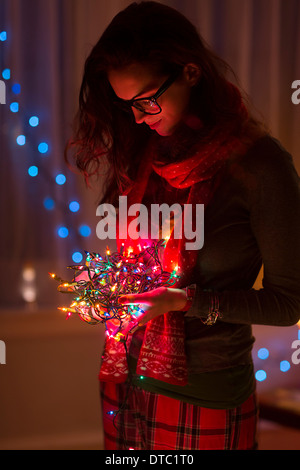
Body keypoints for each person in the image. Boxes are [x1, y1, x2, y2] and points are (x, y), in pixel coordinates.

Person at [66, 1, 300, 450]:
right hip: (123, 379)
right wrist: (104, 285)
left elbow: (288, 303)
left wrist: (184, 301)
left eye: (147, 100)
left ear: (190, 72)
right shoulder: (142, 153)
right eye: (125, 105)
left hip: (205, 392)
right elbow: (137, 261)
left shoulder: (260, 168)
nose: (136, 117)